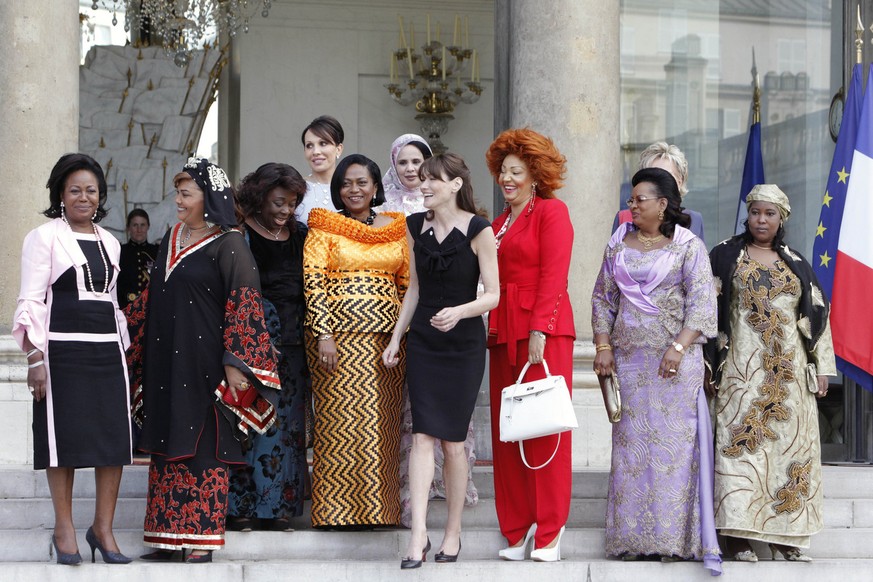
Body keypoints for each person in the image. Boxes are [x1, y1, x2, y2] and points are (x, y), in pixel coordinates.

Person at [127, 157, 280, 563]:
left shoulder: (230, 243)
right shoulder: (172, 235)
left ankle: (200, 540)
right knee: (167, 443)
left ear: (207, 198)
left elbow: (245, 305)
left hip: (207, 366)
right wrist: (121, 333)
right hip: (167, 363)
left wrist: (236, 362)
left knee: (205, 448)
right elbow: (151, 300)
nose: (177, 200)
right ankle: (166, 537)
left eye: (185, 193)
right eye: (177, 192)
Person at [591, 167, 721, 574]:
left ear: (662, 204)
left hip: (674, 367)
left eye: (639, 199)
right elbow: (602, 299)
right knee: (631, 449)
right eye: (631, 199)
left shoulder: (689, 247)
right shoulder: (618, 245)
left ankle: (673, 541)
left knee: (673, 454)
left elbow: (702, 305)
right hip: (629, 364)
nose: (631, 205)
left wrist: (679, 347)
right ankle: (630, 539)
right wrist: (603, 345)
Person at [13, 153, 133, 565]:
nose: (84, 197)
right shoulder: (43, 237)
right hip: (62, 353)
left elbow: (114, 303)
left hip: (107, 354)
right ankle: (64, 530)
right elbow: (30, 300)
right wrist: (34, 358)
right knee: (61, 442)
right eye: (75, 190)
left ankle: (103, 529)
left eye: (92, 190)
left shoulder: (112, 241)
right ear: (61, 195)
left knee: (113, 441)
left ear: (100, 196)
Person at [704, 184, 835, 562]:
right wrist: (705, 363)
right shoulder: (725, 255)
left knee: (790, 452)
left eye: (770, 214)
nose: (762, 220)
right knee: (741, 449)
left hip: (790, 376)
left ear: (782, 220)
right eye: (757, 212)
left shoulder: (796, 262)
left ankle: (785, 537)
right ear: (748, 214)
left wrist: (821, 367)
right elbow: (706, 312)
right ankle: (737, 536)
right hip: (741, 376)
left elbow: (817, 314)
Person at [383, 153, 499, 568]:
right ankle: (418, 535)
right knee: (422, 437)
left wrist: (461, 311)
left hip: (464, 344)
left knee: (453, 443)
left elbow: (493, 294)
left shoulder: (480, 229)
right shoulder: (414, 226)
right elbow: (413, 289)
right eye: (421, 179)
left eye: (433, 179)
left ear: (455, 185)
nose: (423, 184)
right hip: (426, 342)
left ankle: (453, 531)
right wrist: (397, 338)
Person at [303, 153, 409, 528]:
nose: (354, 189)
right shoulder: (325, 228)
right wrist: (324, 334)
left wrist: (402, 336)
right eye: (346, 183)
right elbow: (313, 283)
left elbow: (407, 284)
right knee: (339, 426)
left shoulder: (397, 228)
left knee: (381, 424)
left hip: (387, 343)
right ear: (337, 189)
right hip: (338, 342)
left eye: (362, 182)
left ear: (376, 187)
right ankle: (335, 513)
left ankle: (381, 512)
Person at [484, 128, 575, 562]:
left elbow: (555, 276)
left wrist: (541, 327)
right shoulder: (497, 223)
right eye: (503, 170)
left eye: (516, 171)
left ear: (535, 175)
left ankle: (550, 532)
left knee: (545, 429)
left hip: (544, 330)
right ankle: (517, 529)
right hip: (503, 330)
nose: (507, 178)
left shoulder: (552, 213)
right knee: (510, 434)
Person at [227, 163, 310, 532]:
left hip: (295, 346)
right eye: (278, 202)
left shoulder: (302, 235)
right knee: (252, 422)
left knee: (289, 428)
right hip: (255, 346)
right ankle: (242, 506)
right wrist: (256, 337)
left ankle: (279, 508)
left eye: (292, 203)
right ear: (259, 199)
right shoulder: (240, 236)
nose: (285, 210)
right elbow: (237, 293)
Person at [612, 142, 705, 243]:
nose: (659, 182)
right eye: (652, 177)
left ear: (680, 182)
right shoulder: (623, 218)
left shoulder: (693, 219)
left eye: (667, 176)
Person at [297, 115, 345, 223]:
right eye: (309, 146)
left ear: (339, 149)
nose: (315, 152)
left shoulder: (352, 190)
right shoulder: (297, 189)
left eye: (323, 144)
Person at [117, 208, 158, 309]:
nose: (139, 230)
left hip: (151, 309)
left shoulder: (157, 252)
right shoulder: (119, 251)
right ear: (128, 228)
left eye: (142, 225)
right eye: (135, 225)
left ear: (148, 226)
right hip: (125, 308)